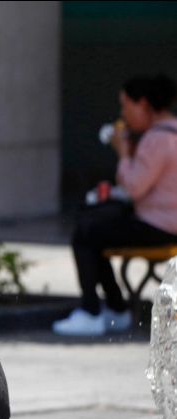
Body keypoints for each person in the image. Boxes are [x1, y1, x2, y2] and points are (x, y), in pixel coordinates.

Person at [53, 74, 177, 337]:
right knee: (95, 225)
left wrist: (122, 150)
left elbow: (134, 187)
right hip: (165, 223)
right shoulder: (171, 132)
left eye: (125, 105)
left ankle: (92, 310)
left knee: (86, 232)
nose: (123, 114)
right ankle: (115, 306)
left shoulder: (157, 138)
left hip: (159, 227)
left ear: (143, 104)